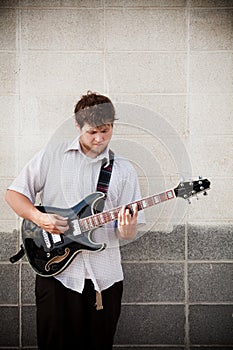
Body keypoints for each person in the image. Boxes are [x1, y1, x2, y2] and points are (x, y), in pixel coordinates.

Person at [5, 91, 145, 350]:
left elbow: (127, 234)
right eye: (92, 131)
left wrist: (128, 229)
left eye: (106, 130)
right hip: (57, 275)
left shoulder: (124, 170)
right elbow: (14, 194)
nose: (99, 138)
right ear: (78, 126)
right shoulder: (51, 156)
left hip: (105, 279)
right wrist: (39, 217)